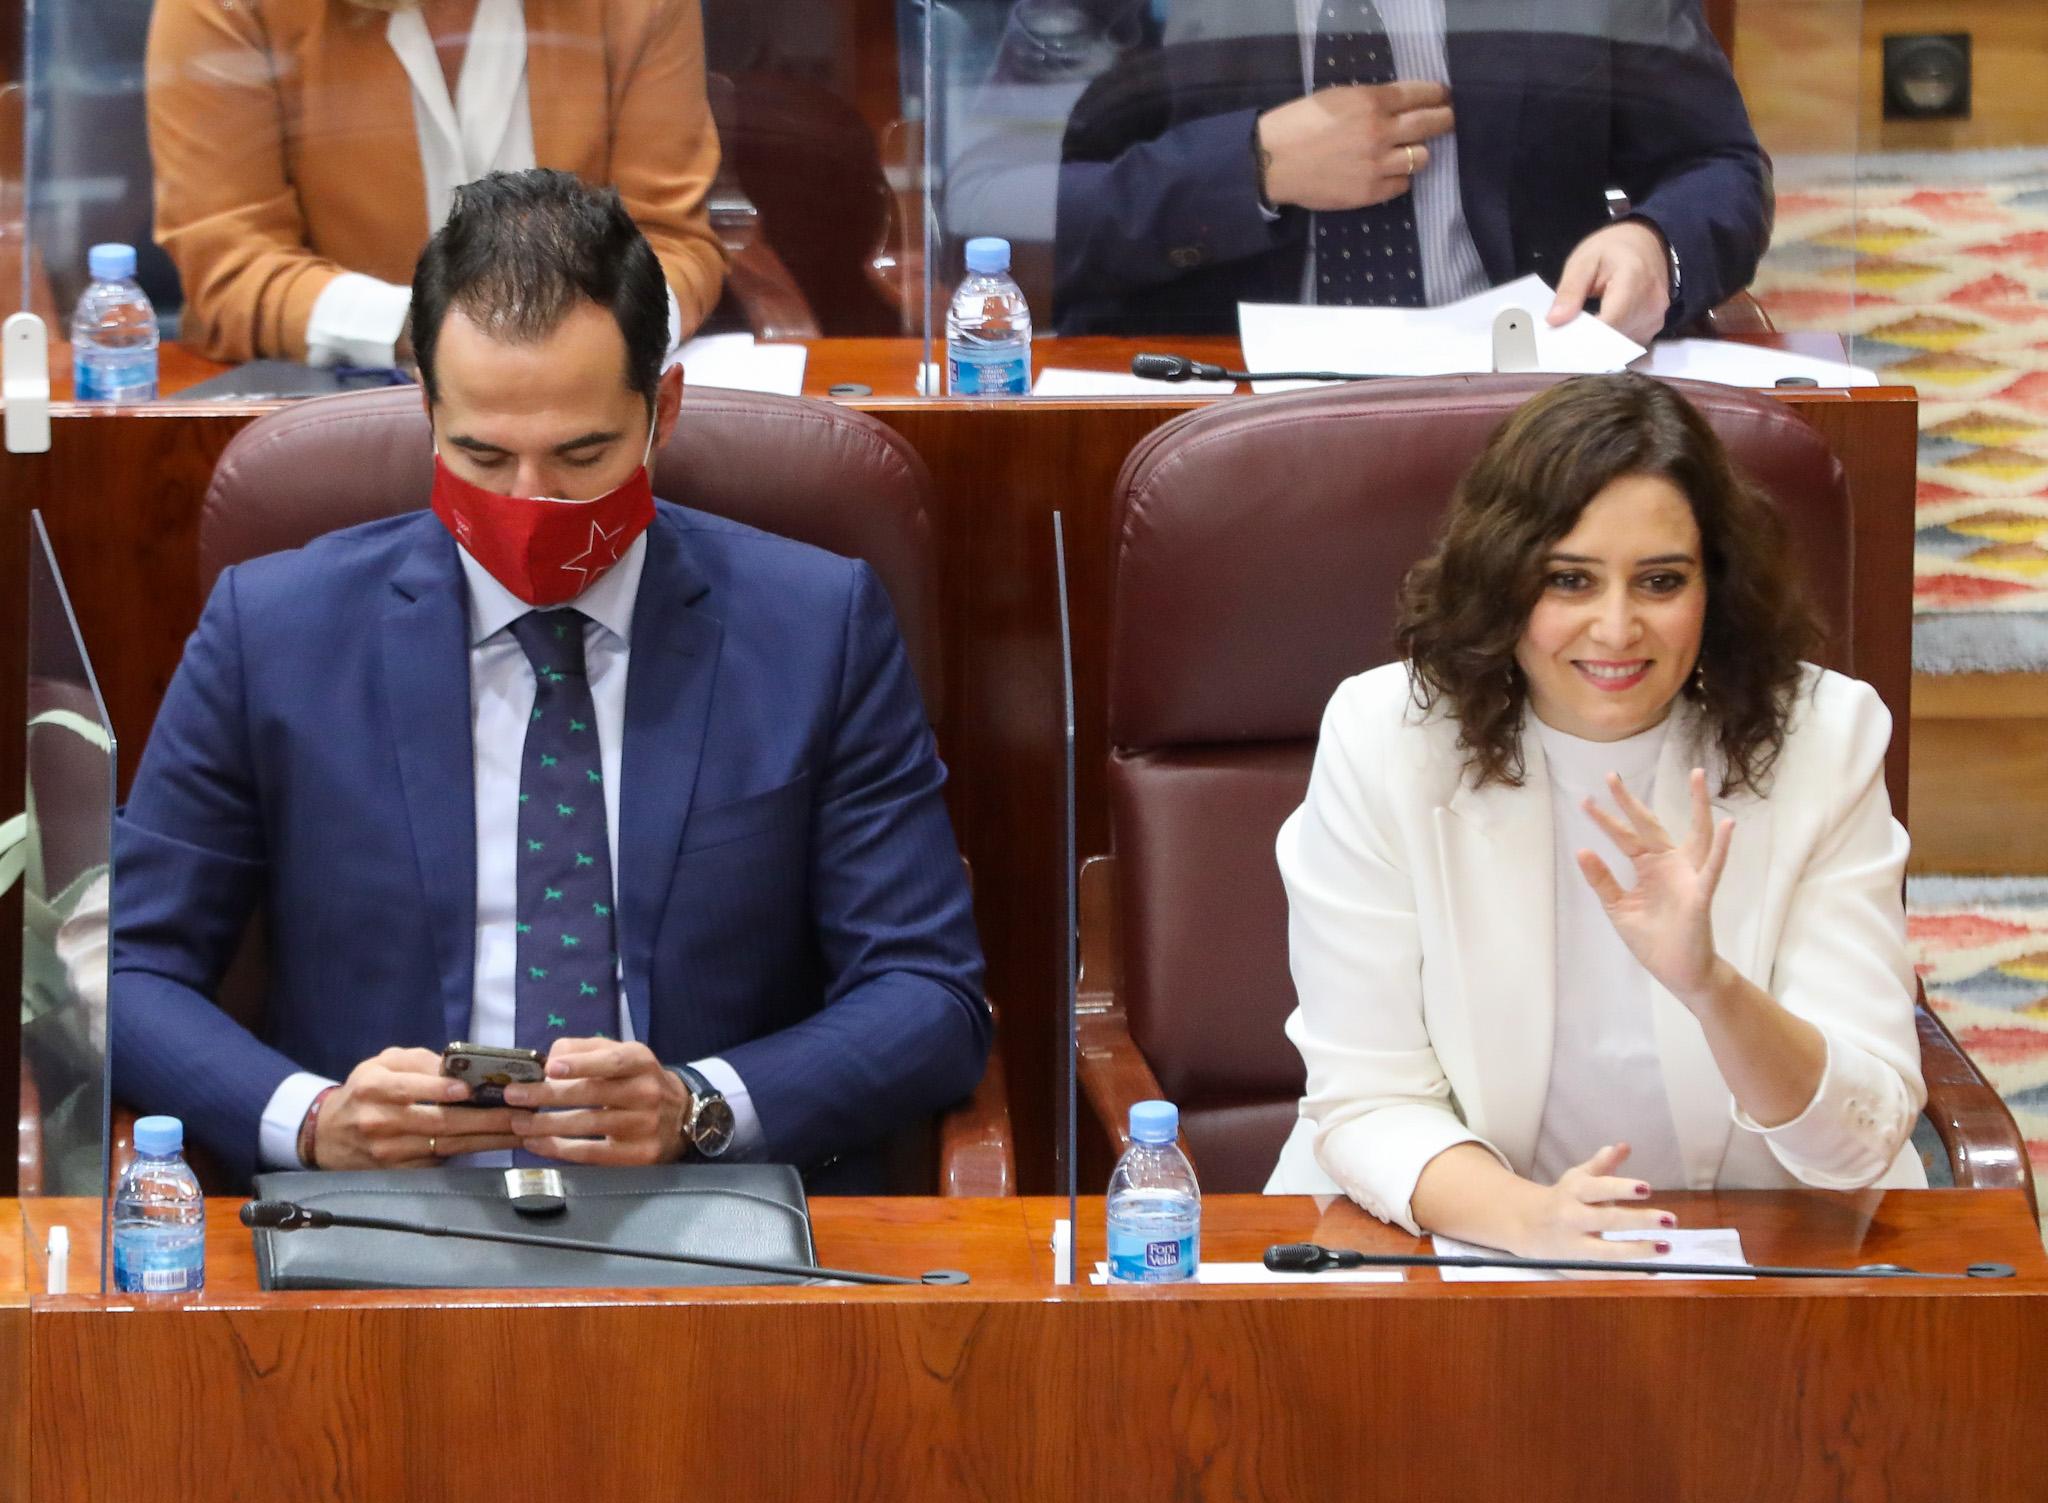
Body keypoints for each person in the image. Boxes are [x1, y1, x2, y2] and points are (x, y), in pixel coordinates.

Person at [109, 169, 990, 1188]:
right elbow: (125, 970)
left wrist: (698, 1106)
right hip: (380, 1224)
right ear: (425, 411)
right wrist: (314, 1120)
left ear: (662, 409)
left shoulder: (812, 627)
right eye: (482, 455)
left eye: (581, 453)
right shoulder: (274, 631)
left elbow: (928, 995)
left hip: (709, 1218)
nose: (530, 504)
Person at [1266, 374, 1925, 1264]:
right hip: (1453, 1238)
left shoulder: (1822, 739)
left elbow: (1857, 1142)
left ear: (1713, 587)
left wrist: (1710, 986)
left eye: (1660, 581)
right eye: (1569, 580)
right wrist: (1532, 1223)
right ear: (1504, 580)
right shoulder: (1387, 737)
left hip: (1753, 1254)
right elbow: (1364, 1097)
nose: (1616, 629)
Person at [1052, 0, 1771, 340]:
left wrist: (1654, 244)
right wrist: (1249, 170)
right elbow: (1011, 213)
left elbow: (1722, 165)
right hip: (1215, 394)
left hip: (1526, 400)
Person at [146, 0, 728, 366]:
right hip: (340, 406)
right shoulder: (226, 6)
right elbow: (231, 268)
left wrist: (601, 340)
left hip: (590, 406)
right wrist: (451, 333)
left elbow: (671, 245)